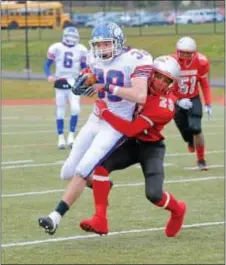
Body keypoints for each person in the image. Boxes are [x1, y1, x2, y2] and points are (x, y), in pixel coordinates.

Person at [38, 21, 153, 235]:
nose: (101, 49)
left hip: (116, 124)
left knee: (84, 168)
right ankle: (101, 184)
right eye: (98, 45)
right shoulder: (93, 57)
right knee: (68, 172)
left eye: (106, 44)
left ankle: (55, 217)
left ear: (118, 42)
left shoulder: (135, 59)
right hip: (95, 119)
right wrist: (83, 81)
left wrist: (107, 86)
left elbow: (140, 96)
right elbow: (90, 74)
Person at [79, 55, 187, 238]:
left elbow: (129, 129)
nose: (159, 82)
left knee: (154, 195)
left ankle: (178, 210)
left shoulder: (164, 106)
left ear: (170, 83)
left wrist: (104, 112)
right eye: (158, 76)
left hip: (151, 146)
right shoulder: (138, 82)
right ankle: (100, 219)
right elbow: (113, 77)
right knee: (101, 169)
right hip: (131, 143)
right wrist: (89, 73)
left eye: (165, 80)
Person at [171, 36, 212, 170]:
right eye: (182, 52)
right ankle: (190, 141)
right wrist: (178, 100)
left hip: (193, 98)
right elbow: (165, 88)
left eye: (188, 53)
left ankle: (201, 160)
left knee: (196, 128)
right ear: (177, 51)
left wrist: (208, 103)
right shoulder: (172, 62)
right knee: (184, 130)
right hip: (177, 99)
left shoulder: (201, 62)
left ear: (194, 52)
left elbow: (204, 84)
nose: (185, 55)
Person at [44, 26, 88, 149]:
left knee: (76, 108)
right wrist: (49, 75)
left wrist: (85, 76)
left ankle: (71, 136)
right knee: (60, 110)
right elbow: (47, 64)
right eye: (70, 37)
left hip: (74, 81)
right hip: (60, 80)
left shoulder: (81, 49)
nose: (72, 39)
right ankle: (60, 138)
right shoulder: (56, 47)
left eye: (74, 37)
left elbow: (84, 66)